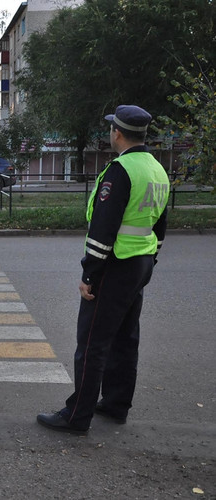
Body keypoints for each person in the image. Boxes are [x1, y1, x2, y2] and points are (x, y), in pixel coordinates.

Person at [37, 105, 170, 434]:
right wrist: (150, 261)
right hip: (140, 263)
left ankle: (76, 416)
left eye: (112, 129)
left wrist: (89, 275)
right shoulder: (157, 169)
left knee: (93, 342)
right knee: (126, 338)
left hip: (115, 265)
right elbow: (160, 226)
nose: (111, 133)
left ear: (118, 133)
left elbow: (103, 229)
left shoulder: (120, 171)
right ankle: (115, 404)